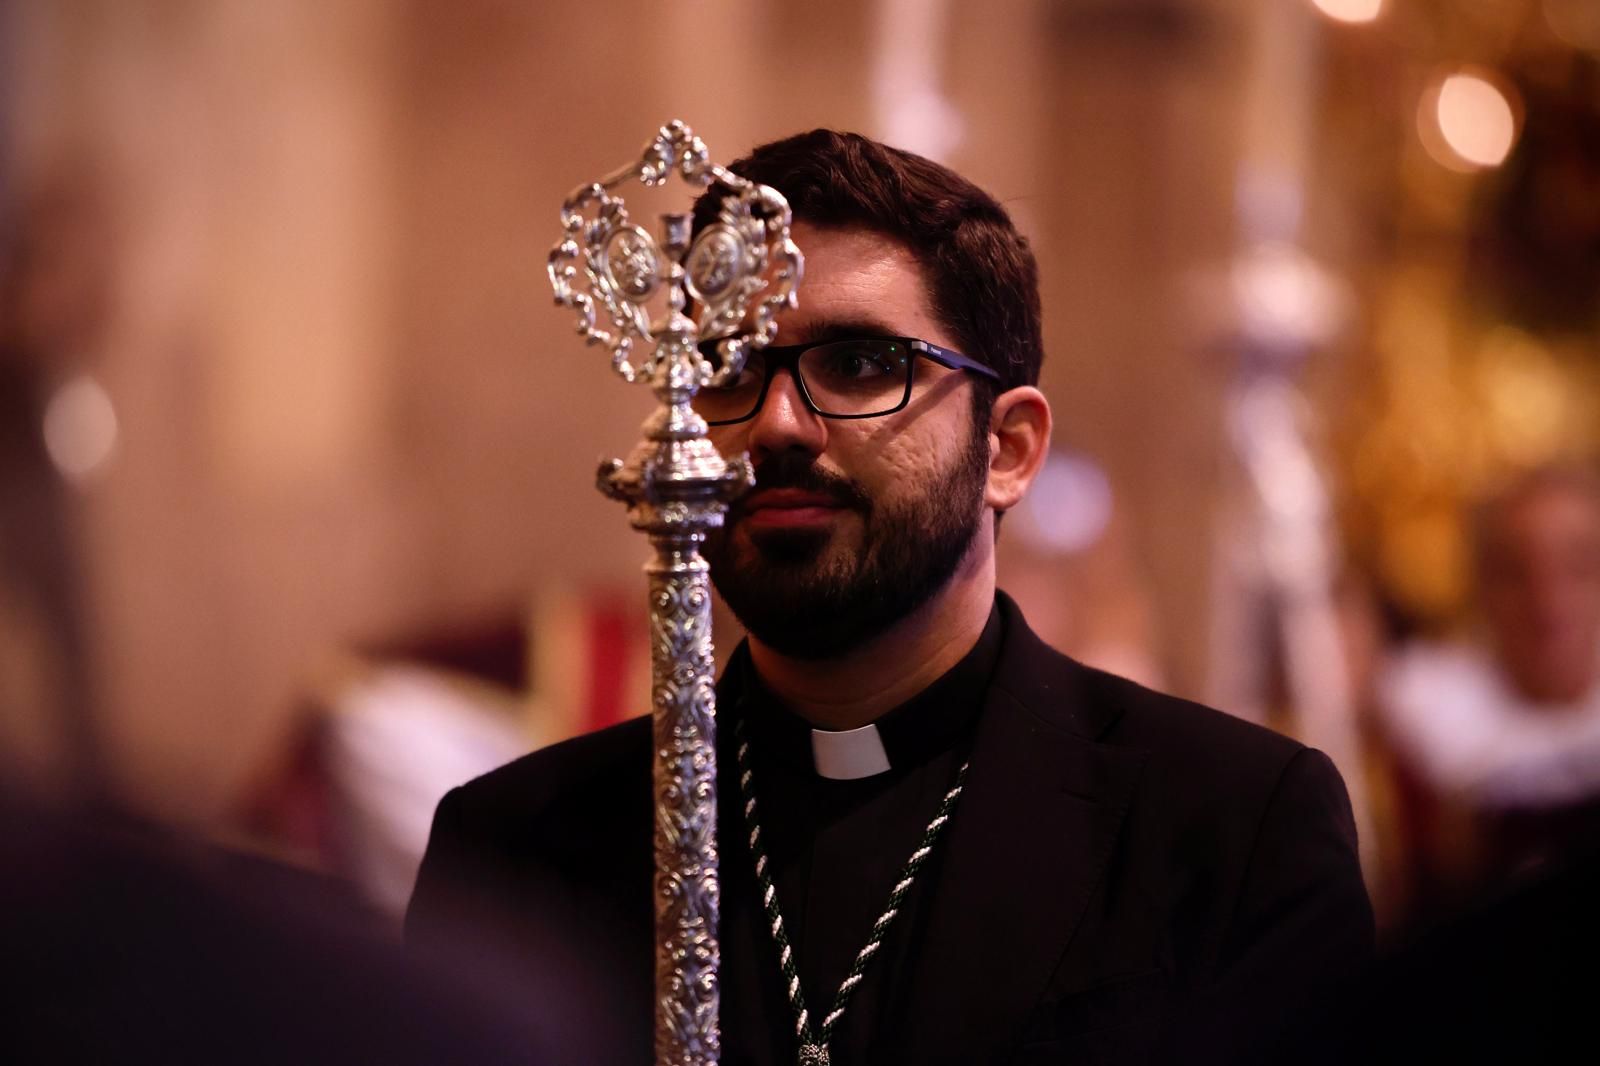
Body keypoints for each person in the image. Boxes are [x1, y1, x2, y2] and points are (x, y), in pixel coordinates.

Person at [406, 129, 1373, 1065]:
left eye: (862, 364)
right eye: (729, 370)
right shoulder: (513, 853)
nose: (777, 424)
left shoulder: (1230, 832)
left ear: (1007, 449)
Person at [1381, 465, 1600, 907]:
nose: (1548, 602)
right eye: (1515, 572)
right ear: (1478, 585)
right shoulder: (1418, 711)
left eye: (1577, 568)